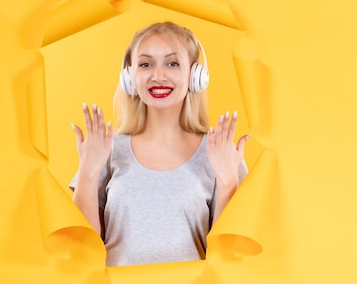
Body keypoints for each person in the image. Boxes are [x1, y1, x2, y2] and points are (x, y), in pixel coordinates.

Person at [70, 22, 249, 267]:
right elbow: (82, 252)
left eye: (172, 63)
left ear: (196, 76)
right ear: (129, 78)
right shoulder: (107, 150)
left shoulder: (219, 151)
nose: (158, 75)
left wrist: (228, 180)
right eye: (145, 64)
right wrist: (88, 172)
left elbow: (228, 258)